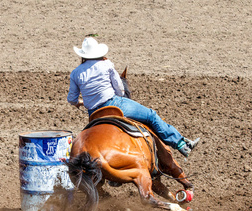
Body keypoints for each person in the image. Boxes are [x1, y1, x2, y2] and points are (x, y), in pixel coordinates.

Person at [68, 37, 200, 157]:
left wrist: (81, 102)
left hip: (94, 114)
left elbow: (72, 99)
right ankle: (181, 144)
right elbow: (120, 88)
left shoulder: (75, 73)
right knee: (151, 115)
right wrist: (119, 97)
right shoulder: (106, 64)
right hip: (114, 104)